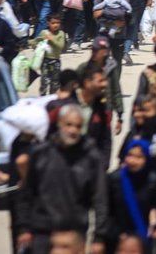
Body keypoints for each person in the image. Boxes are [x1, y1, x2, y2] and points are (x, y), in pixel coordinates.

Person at [15, 105, 108, 254]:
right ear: (59, 123)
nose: (73, 131)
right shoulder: (41, 154)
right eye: (69, 125)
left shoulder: (91, 157)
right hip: (42, 232)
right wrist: (23, 227)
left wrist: (99, 237)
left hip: (74, 234)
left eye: (78, 126)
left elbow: (100, 199)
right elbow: (26, 193)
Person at [106, 139, 156, 252]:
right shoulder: (115, 179)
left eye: (139, 157)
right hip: (118, 240)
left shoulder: (153, 182)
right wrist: (117, 234)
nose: (132, 161)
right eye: (130, 155)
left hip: (144, 241)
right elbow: (107, 212)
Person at [30, 13, 66, 95]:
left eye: (58, 23)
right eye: (53, 23)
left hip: (56, 61)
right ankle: (43, 98)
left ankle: (52, 98)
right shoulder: (44, 32)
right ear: (48, 23)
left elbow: (61, 46)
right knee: (44, 81)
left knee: (55, 82)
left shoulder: (61, 33)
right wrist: (30, 43)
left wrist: (51, 39)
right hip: (45, 60)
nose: (56, 25)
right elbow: (35, 41)